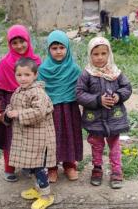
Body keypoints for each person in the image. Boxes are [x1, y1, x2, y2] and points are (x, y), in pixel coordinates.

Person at [0, 25, 42, 182]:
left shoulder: (36, 61)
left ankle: (27, 165)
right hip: (10, 105)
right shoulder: (5, 63)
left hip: (30, 104)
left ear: (28, 40)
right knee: (9, 138)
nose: (19, 46)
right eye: (14, 42)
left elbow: (41, 84)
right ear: (9, 44)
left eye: (22, 41)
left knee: (29, 136)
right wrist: (1, 110)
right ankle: (9, 168)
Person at [76, 36, 132, 189]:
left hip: (114, 118)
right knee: (96, 145)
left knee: (114, 146)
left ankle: (116, 171)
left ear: (109, 54)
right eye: (96, 54)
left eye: (103, 53)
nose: (100, 57)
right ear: (90, 55)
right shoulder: (87, 74)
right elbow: (80, 94)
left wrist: (118, 96)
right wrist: (97, 100)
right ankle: (97, 169)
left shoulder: (116, 72)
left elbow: (127, 88)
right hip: (95, 119)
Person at [1, 57, 56, 209]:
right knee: (30, 165)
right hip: (26, 138)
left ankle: (46, 195)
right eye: (19, 75)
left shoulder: (38, 93)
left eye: (27, 75)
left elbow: (39, 112)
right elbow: (12, 107)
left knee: (39, 167)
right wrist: (7, 113)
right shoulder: (18, 91)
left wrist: (18, 114)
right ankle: (37, 189)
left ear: (35, 75)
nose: (23, 78)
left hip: (39, 138)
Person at [38, 30, 83, 183]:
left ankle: (70, 165)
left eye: (62, 47)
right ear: (48, 50)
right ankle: (51, 168)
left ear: (68, 48)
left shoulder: (74, 69)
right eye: (54, 48)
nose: (58, 51)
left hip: (70, 109)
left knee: (70, 135)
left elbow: (81, 89)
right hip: (51, 110)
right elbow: (39, 92)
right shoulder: (43, 70)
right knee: (51, 138)